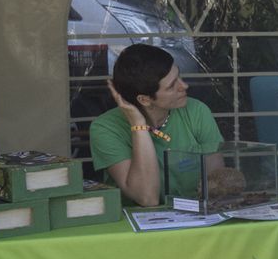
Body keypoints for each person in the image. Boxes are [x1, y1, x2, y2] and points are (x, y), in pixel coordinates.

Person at [92, 43, 227, 208]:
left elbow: (216, 184)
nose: (184, 86)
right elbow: (147, 198)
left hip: (196, 216)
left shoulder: (196, 111)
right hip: (134, 227)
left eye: (179, 76)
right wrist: (139, 126)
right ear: (145, 99)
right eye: (171, 86)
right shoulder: (105, 128)